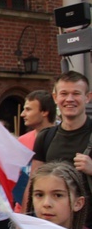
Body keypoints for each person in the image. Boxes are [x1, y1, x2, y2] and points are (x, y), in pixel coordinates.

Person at [33, 73, 92, 201]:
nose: (69, 99)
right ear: (55, 97)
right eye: (64, 94)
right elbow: (34, 182)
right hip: (53, 218)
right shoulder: (45, 136)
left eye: (76, 93)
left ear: (87, 97)